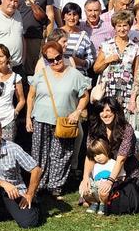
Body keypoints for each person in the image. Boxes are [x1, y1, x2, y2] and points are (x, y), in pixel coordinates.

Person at [25, 42, 91, 198]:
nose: (55, 62)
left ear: (63, 55)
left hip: (64, 121)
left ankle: (55, 185)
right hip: (41, 119)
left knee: (61, 153)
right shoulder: (41, 74)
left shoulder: (74, 74)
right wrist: (28, 117)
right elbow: (31, 96)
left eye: (58, 58)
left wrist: (78, 112)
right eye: (51, 60)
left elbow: (84, 96)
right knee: (39, 153)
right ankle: (39, 184)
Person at [82, 97, 139, 215]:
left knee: (108, 194)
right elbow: (90, 155)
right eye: (101, 111)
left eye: (108, 110)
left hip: (124, 172)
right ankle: (98, 200)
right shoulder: (94, 128)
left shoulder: (126, 129)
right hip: (101, 170)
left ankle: (103, 201)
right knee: (86, 192)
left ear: (115, 111)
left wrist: (110, 181)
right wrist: (85, 178)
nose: (105, 114)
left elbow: (121, 159)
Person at [9, 0, 54, 73]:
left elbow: (50, 13)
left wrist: (48, 38)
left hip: (36, 37)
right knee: (15, 69)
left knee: (34, 71)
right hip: (17, 37)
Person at [58, 3, 97, 71]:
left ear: (79, 17)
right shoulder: (56, 33)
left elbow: (91, 59)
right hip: (59, 76)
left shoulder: (84, 35)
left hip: (78, 76)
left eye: (75, 14)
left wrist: (80, 62)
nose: (72, 18)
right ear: (64, 16)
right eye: (69, 14)